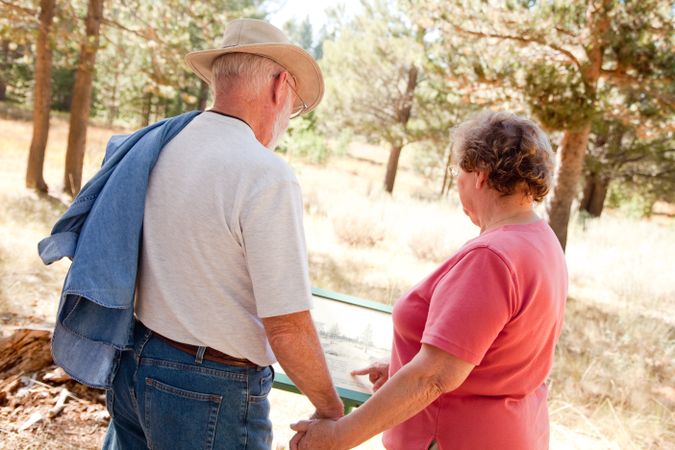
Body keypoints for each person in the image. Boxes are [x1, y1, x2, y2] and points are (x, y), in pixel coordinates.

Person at [39, 19, 343, 450]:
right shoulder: (265, 174)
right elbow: (288, 328)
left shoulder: (161, 144)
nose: (288, 119)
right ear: (280, 86)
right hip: (210, 391)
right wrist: (331, 411)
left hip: (135, 361)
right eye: (293, 105)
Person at [290, 111, 568, 450]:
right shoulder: (541, 240)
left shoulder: (492, 256)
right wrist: (402, 364)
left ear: (479, 175)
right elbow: (491, 352)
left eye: (457, 172)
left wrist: (336, 437)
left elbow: (434, 376)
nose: (458, 182)